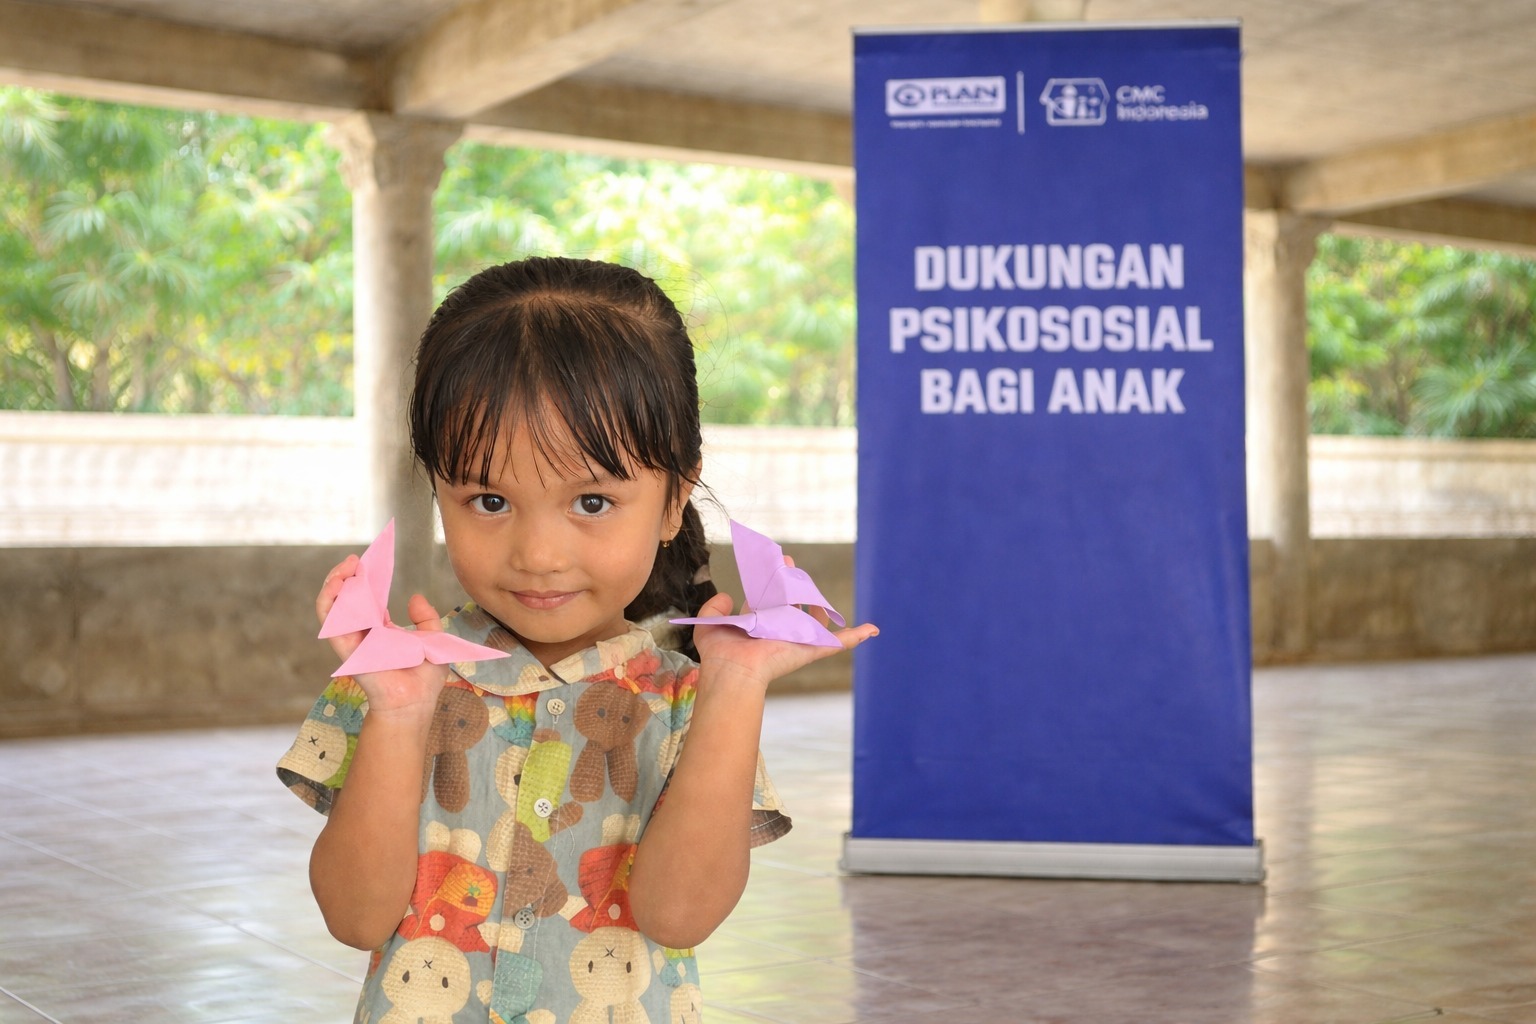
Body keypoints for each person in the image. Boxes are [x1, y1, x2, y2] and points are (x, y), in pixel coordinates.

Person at [276, 256, 877, 1024]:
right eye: (488, 499)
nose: (538, 554)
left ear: (674, 499)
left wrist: (735, 686)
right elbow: (354, 919)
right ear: (437, 488)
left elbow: (679, 916)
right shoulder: (391, 679)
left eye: (592, 501)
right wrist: (397, 716)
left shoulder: (693, 704)